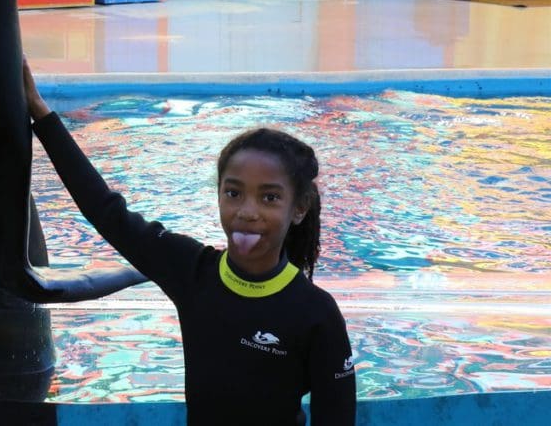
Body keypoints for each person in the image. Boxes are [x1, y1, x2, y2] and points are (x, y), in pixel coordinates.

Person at [23, 59, 356, 425]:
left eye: (270, 198)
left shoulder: (316, 313)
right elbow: (107, 212)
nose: (247, 211)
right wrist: (43, 116)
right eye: (233, 193)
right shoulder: (191, 271)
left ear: (299, 208)